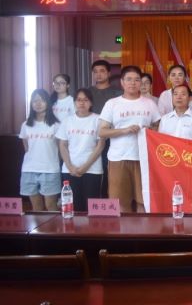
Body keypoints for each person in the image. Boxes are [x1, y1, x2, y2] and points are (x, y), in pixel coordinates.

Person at [98, 65, 161, 213]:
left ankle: (143, 228)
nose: (133, 83)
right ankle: (125, 229)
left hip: (144, 158)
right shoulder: (112, 104)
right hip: (118, 158)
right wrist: (124, 130)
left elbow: (158, 126)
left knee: (143, 202)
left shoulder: (150, 104)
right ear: (122, 82)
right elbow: (102, 131)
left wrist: (150, 131)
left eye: (137, 80)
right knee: (121, 203)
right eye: (129, 79)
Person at [56, 88, 105, 212]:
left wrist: (85, 166)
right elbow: (62, 145)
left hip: (92, 170)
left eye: (86, 100)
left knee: (91, 208)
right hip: (70, 170)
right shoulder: (67, 120)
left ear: (91, 103)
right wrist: (70, 166)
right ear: (74, 102)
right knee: (73, 206)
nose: (82, 103)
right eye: (78, 100)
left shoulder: (98, 120)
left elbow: (100, 145)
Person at [19, 89, 61, 211]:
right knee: (36, 207)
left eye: (42, 100)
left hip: (50, 169)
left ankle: (53, 225)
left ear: (48, 102)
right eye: (35, 101)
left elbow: (60, 149)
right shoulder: (25, 125)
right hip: (29, 169)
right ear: (31, 104)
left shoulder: (56, 125)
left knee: (51, 206)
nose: (38, 103)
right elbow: (26, 147)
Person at [89, 60, 123, 198]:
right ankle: (95, 199)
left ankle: (108, 199)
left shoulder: (118, 93)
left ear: (109, 73)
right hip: (90, 138)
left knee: (109, 169)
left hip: (112, 138)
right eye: (95, 72)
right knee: (92, 168)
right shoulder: (88, 92)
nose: (98, 74)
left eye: (102, 71)